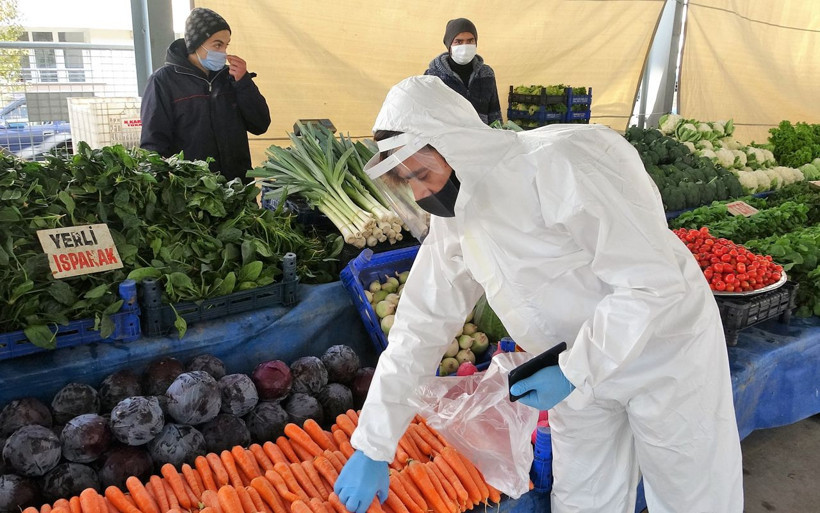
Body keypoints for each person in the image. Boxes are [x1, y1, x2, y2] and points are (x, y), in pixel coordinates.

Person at [333, 76, 743, 513]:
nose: (420, 193)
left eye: (422, 174)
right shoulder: (457, 222)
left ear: (453, 146)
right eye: (407, 182)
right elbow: (418, 327)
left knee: (691, 494)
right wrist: (374, 444)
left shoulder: (559, 165)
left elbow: (650, 282)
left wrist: (574, 368)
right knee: (585, 496)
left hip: (664, 354)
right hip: (572, 367)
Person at [140, 7, 271, 183]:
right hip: (194, 193)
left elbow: (260, 124)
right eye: (217, 44)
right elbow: (153, 144)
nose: (224, 52)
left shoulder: (231, 77)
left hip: (238, 186)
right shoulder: (163, 81)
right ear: (195, 44)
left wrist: (244, 83)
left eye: (226, 45)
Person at [424, 18, 502, 125]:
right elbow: (426, 117)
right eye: (459, 42)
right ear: (449, 45)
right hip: (448, 139)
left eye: (470, 41)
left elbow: (495, 114)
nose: (465, 46)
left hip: (482, 139)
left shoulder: (486, 73)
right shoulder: (433, 76)